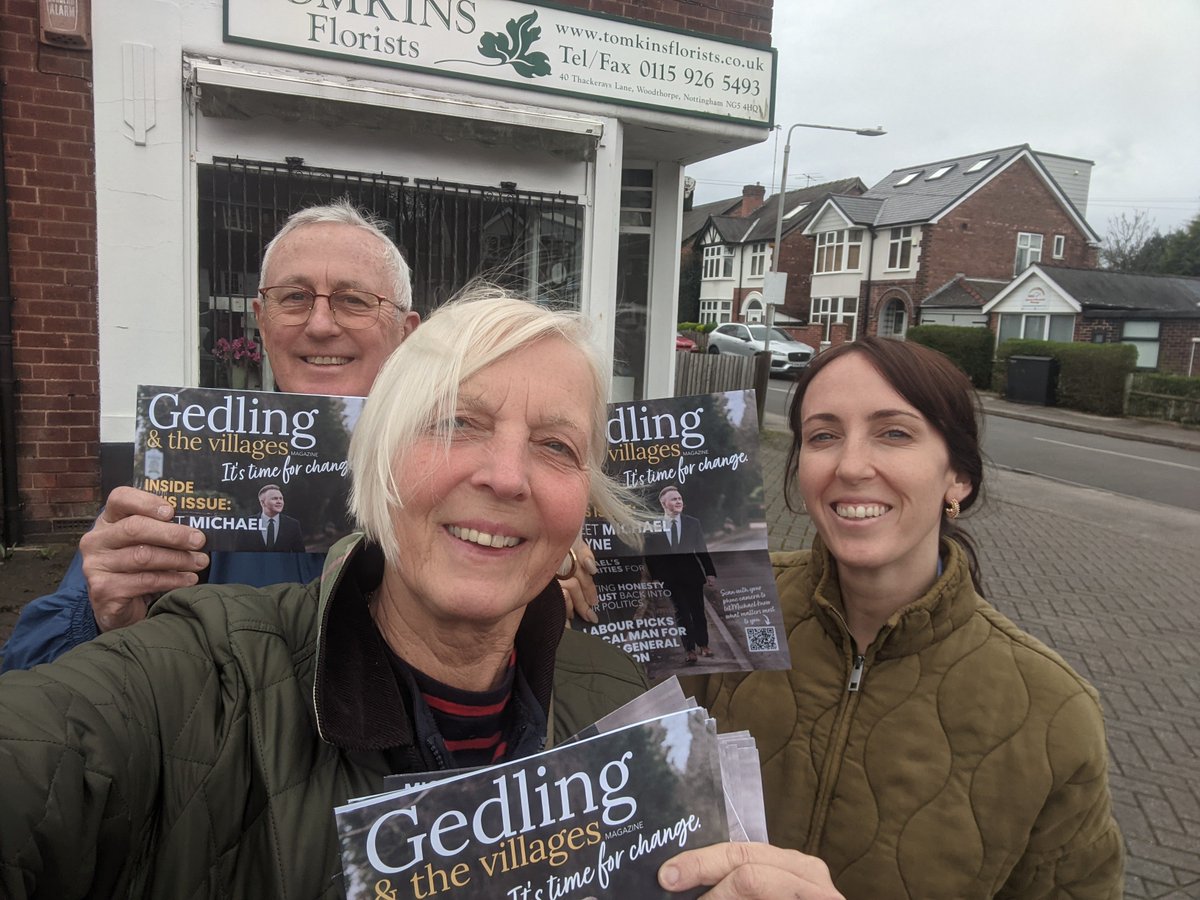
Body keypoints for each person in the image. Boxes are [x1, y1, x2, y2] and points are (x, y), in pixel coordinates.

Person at [0, 290, 649, 898]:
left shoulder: (623, 698)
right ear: (379, 457)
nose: (508, 477)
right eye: (456, 423)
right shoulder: (206, 675)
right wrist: (93, 612)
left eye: (556, 446)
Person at [1, 200, 599, 671]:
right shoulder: (190, 463)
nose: (319, 324)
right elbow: (28, 688)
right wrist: (99, 616)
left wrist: (532, 575)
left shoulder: (460, 463)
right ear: (261, 321)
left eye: (352, 301)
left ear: (407, 330)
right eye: (293, 298)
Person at [673, 337, 1123, 899]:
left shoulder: (1055, 714)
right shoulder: (724, 602)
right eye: (823, 436)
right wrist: (552, 611)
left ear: (957, 476)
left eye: (894, 433)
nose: (852, 465)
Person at [643, 483, 717, 664]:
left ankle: (704, 645)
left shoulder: (693, 523)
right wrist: (654, 578)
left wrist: (710, 573)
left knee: (698, 611)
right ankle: (689, 649)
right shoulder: (653, 525)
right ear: (664, 503)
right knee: (682, 612)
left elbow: (701, 549)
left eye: (680, 499)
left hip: (692, 575)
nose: (678, 502)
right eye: (674, 499)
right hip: (670, 578)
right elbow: (650, 554)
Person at [237, 484, 307, 552]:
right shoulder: (246, 523)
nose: (279, 502)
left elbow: (301, 556)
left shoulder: (293, 525)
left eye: (281, 498)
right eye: (274, 498)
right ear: (262, 503)